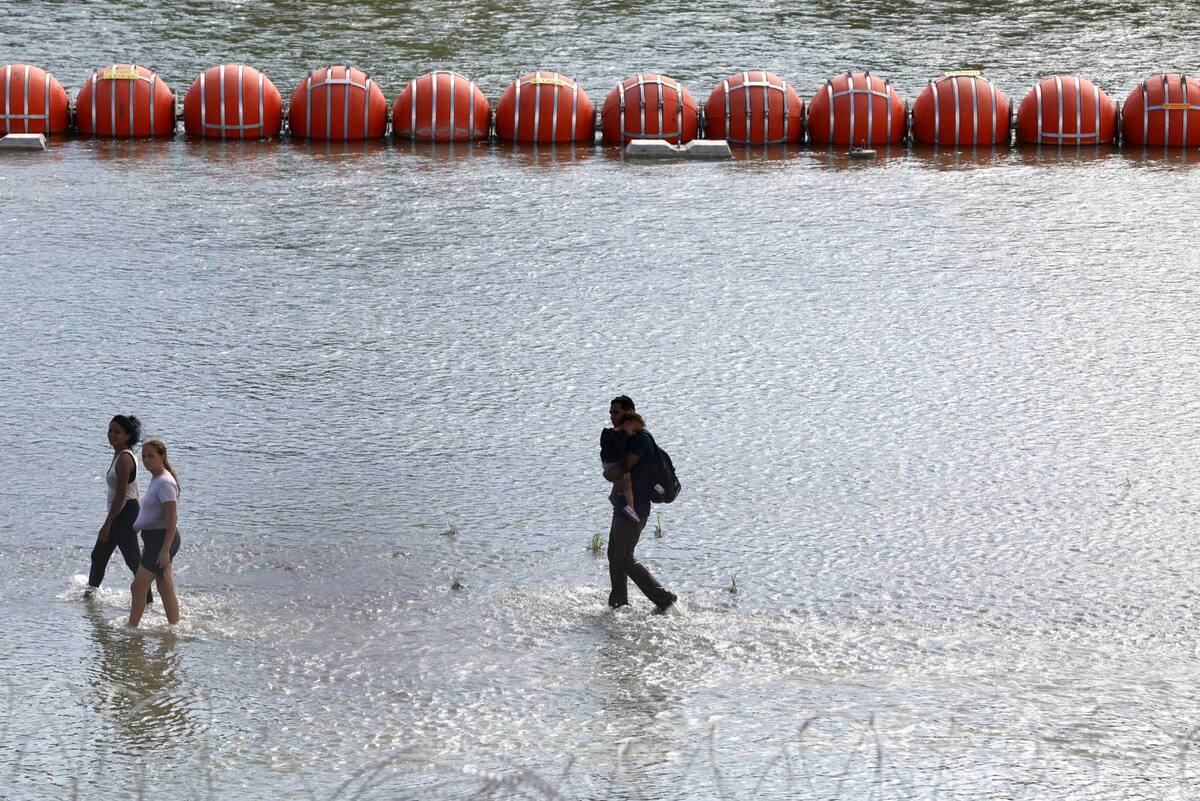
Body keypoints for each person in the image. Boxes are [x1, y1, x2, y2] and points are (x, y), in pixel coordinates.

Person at [603, 399, 679, 614]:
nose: (612, 416)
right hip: (623, 505)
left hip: (634, 509)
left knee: (624, 556)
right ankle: (618, 603)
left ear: (629, 413)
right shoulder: (629, 438)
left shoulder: (641, 441)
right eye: (610, 412)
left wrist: (607, 473)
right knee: (613, 554)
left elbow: (620, 471)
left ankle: (665, 600)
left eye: (616, 412)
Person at [87, 415, 152, 606]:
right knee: (98, 556)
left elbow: (122, 496)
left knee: (134, 562)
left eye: (117, 432)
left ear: (127, 435)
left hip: (125, 514)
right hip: (122, 513)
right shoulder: (119, 453)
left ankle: (148, 602)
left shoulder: (124, 458)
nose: (112, 435)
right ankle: (90, 598)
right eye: (110, 431)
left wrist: (107, 525)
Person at [129, 438, 182, 627]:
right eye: (143, 456)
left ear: (162, 456)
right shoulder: (157, 478)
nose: (146, 460)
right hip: (154, 539)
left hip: (162, 540)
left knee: (138, 586)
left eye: (151, 456)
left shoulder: (165, 482)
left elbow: (172, 518)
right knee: (164, 586)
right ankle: (175, 627)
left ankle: (132, 628)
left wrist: (165, 550)